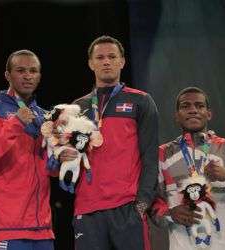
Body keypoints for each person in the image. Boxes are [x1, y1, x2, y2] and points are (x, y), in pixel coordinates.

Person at [59, 35, 158, 250]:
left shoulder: (140, 101)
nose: (106, 61)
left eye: (112, 57)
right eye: (100, 57)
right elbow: (68, 157)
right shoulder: (77, 108)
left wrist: (142, 204)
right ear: (90, 63)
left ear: (122, 62)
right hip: (87, 209)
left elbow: (150, 157)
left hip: (127, 207)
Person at [0, 50, 55, 250]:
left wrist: (62, 157)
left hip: (43, 229)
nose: (28, 76)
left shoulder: (44, 116)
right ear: (7, 75)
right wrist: (15, 123)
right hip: (7, 228)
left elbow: (50, 170)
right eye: (21, 70)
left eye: (33, 71)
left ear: (39, 76)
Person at [151, 87, 225, 250]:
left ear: (209, 114)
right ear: (177, 116)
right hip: (182, 245)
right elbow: (150, 200)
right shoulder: (162, 154)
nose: (193, 110)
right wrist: (169, 214)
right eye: (185, 106)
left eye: (199, 106)